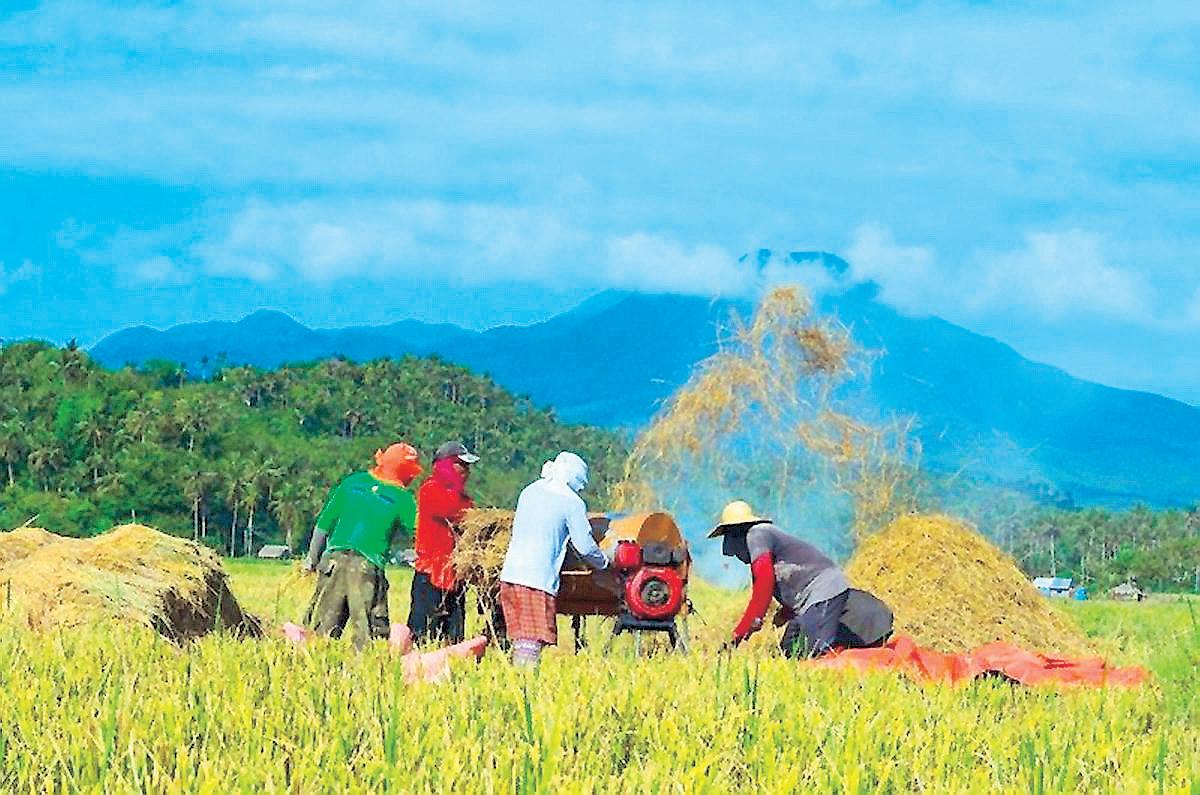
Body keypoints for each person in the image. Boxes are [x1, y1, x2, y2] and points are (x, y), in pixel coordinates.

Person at [710, 500, 893, 658]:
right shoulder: (764, 539)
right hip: (812, 600)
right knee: (790, 649)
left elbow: (763, 586)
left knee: (812, 654)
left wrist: (742, 632)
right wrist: (785, 613)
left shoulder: (756, 534)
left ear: (736, 533)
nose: (735, 555)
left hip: (824, 592)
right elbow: (792, 581)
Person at [301, 442, 422, 649]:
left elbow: (323, 524)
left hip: (332, 563)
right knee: (368, 637)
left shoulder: (352, 482)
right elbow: (419, 534)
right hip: (366, 569)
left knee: (321, 631)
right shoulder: (402, 498)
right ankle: (363, 675)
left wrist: (311, 560)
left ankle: (313, 670)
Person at [497, 452, 608, 666]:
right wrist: (605, 563)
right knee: (531, 640)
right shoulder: (571, 502)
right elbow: (584, 546)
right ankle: (525, 687)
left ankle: (514, 684)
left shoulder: (530, 491)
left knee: (520, 637)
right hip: (536, 579)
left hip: (510, 574)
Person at [407, 441, 479, 645]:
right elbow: (451, 513)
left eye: (468, 467)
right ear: (446, 465)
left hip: (455, 576)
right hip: (431, 574)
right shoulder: (430, 489)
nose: (466, 471)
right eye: (461, 465)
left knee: (453, 637)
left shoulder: (465, 498)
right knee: (423, 635)